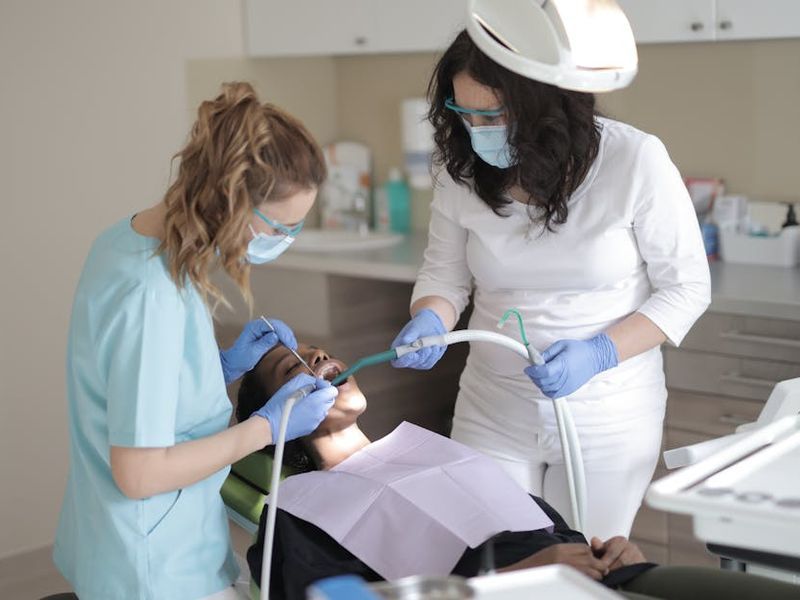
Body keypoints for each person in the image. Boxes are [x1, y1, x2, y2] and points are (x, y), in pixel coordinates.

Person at [389, 31, 712, 539]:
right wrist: (430, 316)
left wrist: (600, 353)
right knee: (496, 559)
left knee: (582, 565)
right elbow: (444, 276)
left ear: (544, 104)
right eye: (464, 113)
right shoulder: (460, 169)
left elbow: (687, 288)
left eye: (493, 116)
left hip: (606, 416)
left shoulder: (633, 160)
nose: (476, 130)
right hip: (492, 409)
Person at [54, 82, 339, 600]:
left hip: (131, 542)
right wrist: (267, 427)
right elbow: (139, 473)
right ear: (234, 201)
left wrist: (219, 367)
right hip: (153, 568)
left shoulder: (128, 243)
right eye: (283, 227)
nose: (286, 241)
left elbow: (134, 385)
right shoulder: (151, 294)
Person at [236, 343, 798, 600]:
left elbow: (547, 530)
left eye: (318, 351)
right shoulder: (296, 513)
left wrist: (608, 549)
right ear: (273, 419)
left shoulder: (430, 450)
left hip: (606, 580)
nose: (318, 360)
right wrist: (516, 578)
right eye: (293, 368)